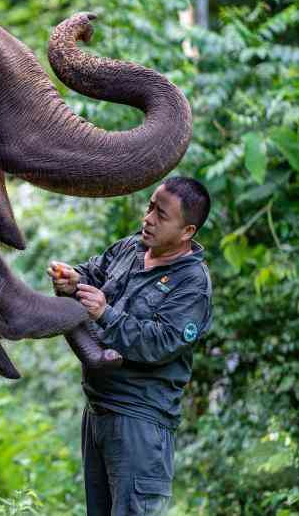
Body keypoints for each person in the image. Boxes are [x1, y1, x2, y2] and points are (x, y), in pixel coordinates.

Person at [48, 176, 213, 516]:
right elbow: (94, 274)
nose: (147, 219)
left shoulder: (192, 284)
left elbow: (160, 343)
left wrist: (105, 313)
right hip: (97, 410)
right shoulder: (131, 248)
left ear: (187, 231)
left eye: (161, 215)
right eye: (150, 207)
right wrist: (74, 279)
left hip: (139, 420)